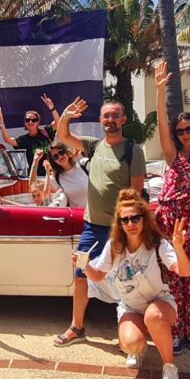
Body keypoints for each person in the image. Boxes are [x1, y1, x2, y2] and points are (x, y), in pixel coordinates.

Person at [52, 98, 145, 347]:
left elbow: (135, 194)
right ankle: (77, 327)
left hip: (120, 229)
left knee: (127, 278)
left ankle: (132, 332)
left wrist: (127, 228)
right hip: (92, 228)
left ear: (123, 119)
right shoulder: (93, 146)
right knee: (81, 274)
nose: (110, 120)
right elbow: (63, 136)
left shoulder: (133, 151)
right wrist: (65, 115)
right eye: (106, 116)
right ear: (100, 120)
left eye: (115, 115)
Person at [80, 190, 190, 379]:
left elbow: (184, 272)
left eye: (135, 218)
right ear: (119, 224)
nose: (130, 224)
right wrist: (83, 265)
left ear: (144, 219)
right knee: (130, 344)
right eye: (125, 220)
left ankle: (169, 367)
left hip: (159, 303)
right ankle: (139, 348)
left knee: (153, 316)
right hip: (130, 307)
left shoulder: (157, 244)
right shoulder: (114, 246)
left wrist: (178, 247)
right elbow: (97, 276)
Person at [152, 61, 190, 355]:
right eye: (181, 130)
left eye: (189, 129)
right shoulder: (172, 155)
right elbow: (162, 126)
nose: (185, 133)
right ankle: (175, 331)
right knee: (172, 281)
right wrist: (159, 91)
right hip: (168, 225)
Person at [0, 95, 60, 174]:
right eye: (27, 120)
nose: (30, 122)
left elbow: (58, 122)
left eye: (34, 120)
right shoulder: (23, 140)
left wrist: (52, 108)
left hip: (51, 174)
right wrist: (1, 123)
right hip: (34, 176)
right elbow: (8, 140)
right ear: (25, 123)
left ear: (38, 122)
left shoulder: (46, 132)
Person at [43, 141, 88, 208]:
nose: (60, 157)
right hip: (76, 213)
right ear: (53, 161)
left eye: (61, 152)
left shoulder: (84, 164)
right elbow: (44, 194)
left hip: (96, 212)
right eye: (55, 157)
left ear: (66, 152)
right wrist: (47, 171)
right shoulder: (57, 178)